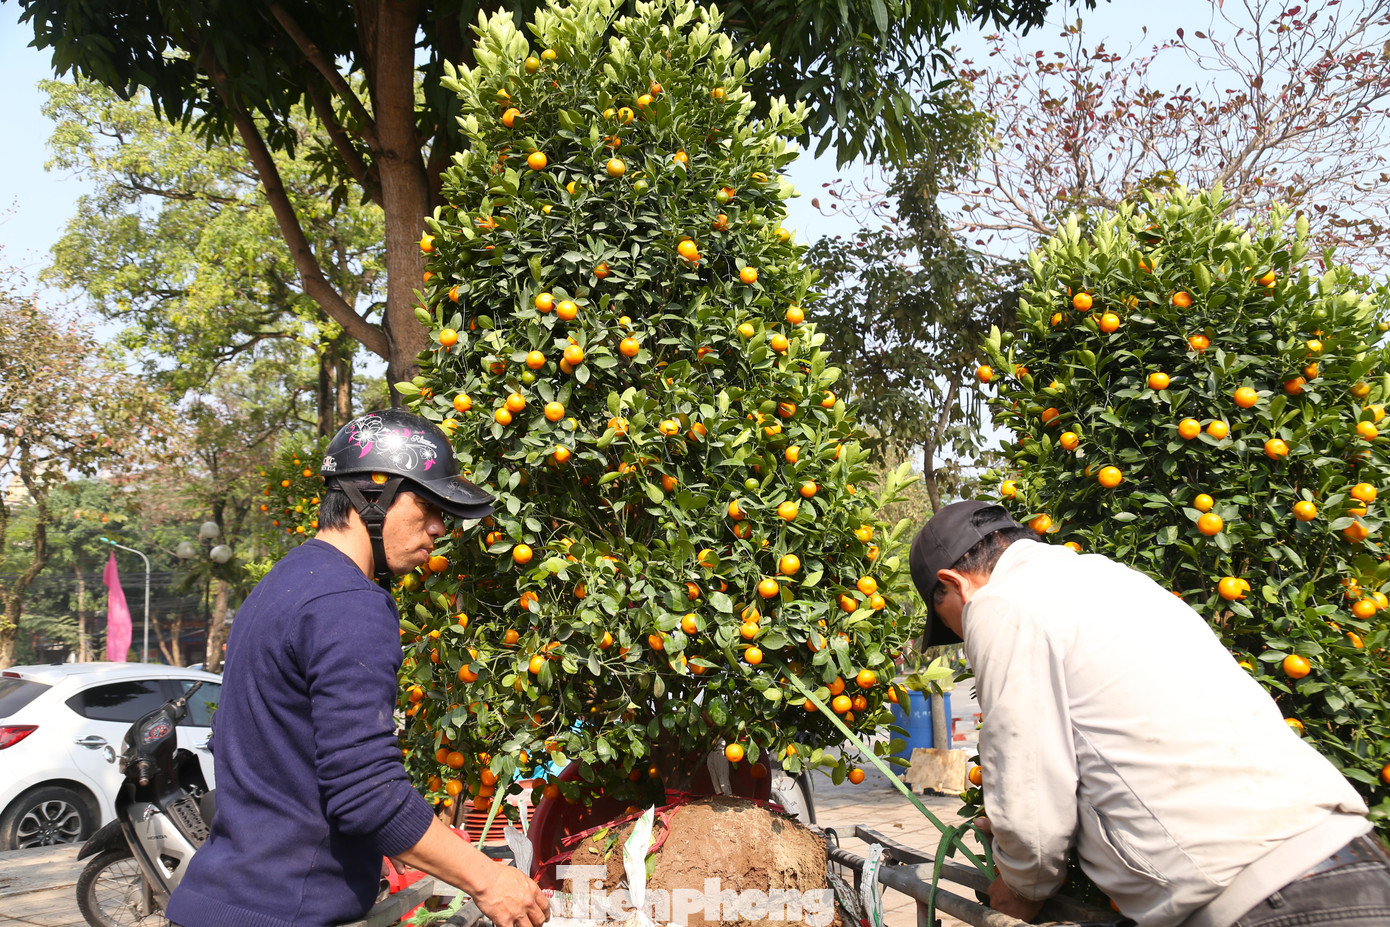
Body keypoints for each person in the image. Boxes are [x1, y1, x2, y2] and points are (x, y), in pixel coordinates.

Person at [909, 500, 1390, 927]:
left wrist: (1016, 886)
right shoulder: (1105, 576)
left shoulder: (999, 604)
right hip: (1350, 858)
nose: (964, 638)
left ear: (953, 584)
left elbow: (1030, 803)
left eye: (952, 622)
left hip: (1269, 901)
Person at [168, 409, 550, 927]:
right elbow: (366, 791)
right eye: (428, 505)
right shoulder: (349, 601)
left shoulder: (284, 582)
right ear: (373, 494)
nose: (439, 528)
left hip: (225, 898)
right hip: (285, 912)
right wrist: (488, 878)